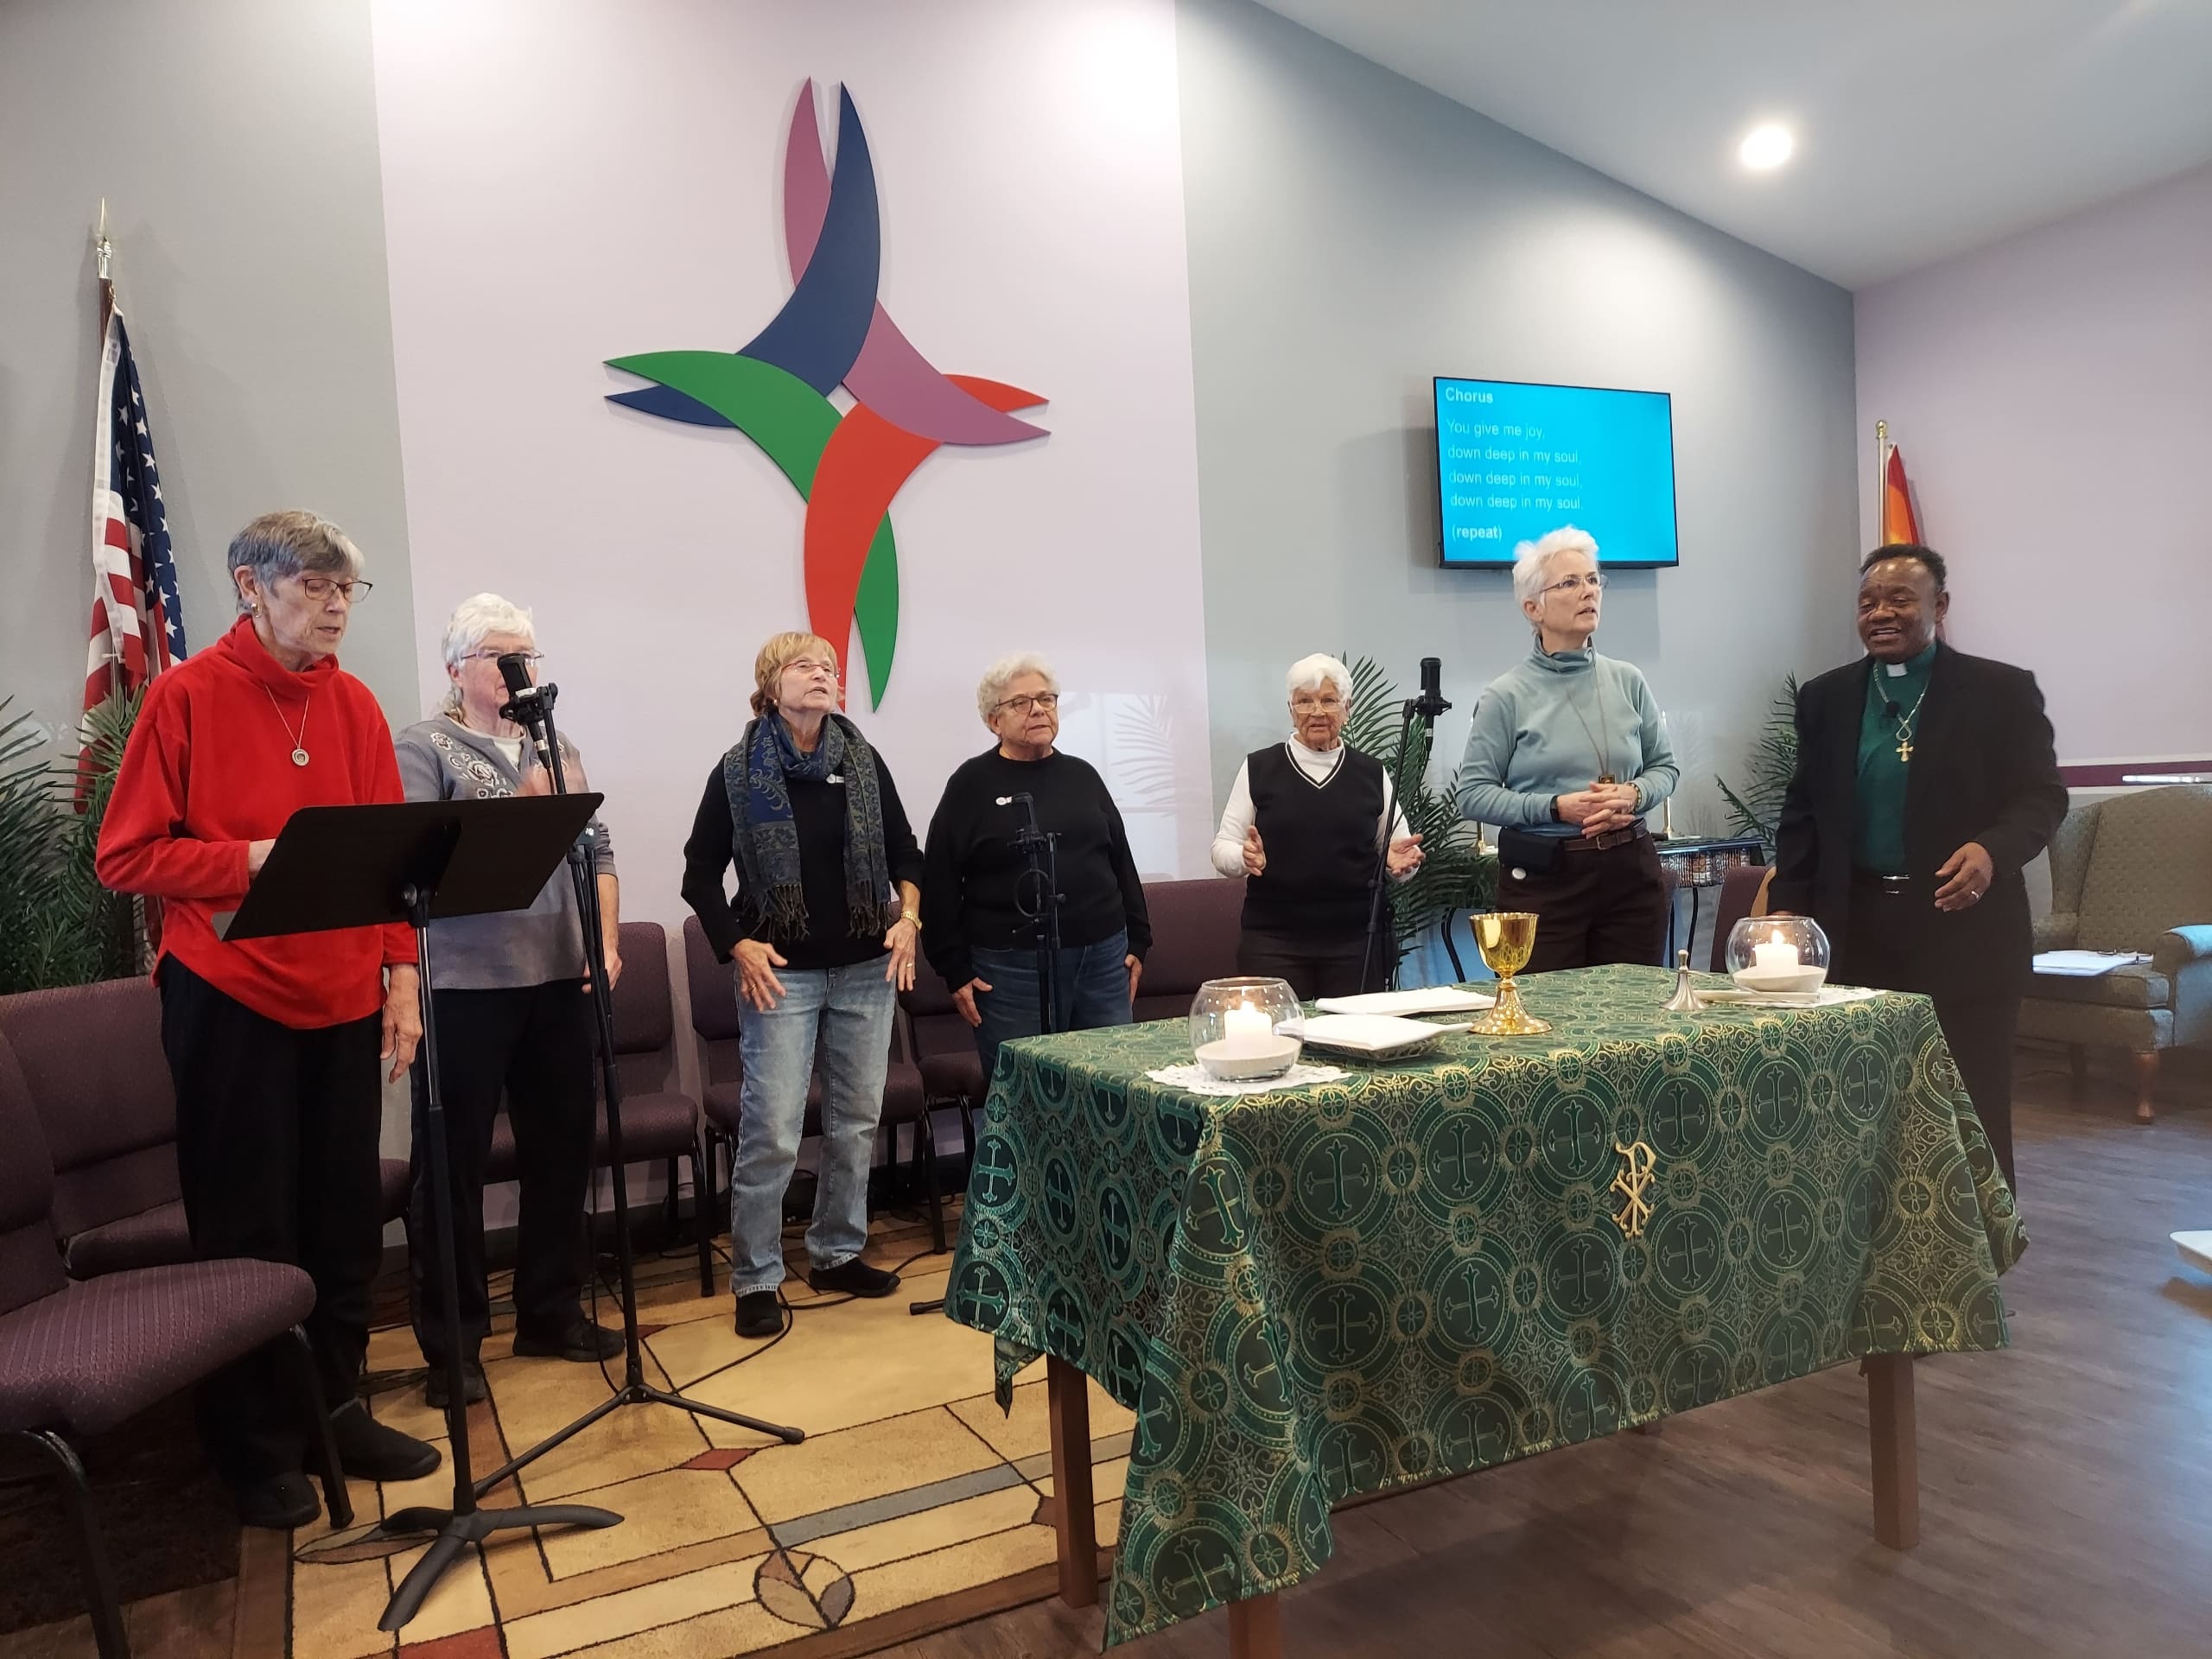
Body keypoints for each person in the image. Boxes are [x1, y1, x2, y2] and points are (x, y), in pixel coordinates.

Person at [95, 511, 440, 1529]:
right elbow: (125, 857)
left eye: (347, 591)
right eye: (315, 587)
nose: (335, 607)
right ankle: (253, 1446)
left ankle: (337, 1410)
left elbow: (392, 867)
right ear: (252, 586)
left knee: (340, 1224)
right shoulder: (185, 695)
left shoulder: (359, 708)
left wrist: (402, 981)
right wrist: (242, 857)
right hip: (230, 1000)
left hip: (342, 997)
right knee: (251, 1231)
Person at [1771, 544, 2063, 1192]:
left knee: (1972, 1102)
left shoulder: (2001, 690)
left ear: (1940, 606)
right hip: (1856, 930)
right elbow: (1803, 812)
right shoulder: (1826, 698)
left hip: (1963, 929)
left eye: (1900, 599)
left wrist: (1992, 851)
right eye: (1868, 601)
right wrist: (1787, 910)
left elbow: (2042, 797)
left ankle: (1984, 1256)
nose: (1881, 613)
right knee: (1861, 1100)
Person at [396, 594, 624, 1408]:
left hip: (559, 976)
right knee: (450, 1166)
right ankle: (452, 1345)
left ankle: (551, 1309)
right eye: (501, 652)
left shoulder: (552, 745)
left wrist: (604, 938)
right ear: (458, 667)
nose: (517, 667)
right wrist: (525, 813)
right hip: (463, 983)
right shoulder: (424, 746)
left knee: (564, 1147)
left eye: (527, 652)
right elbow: (420, 868)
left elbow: (597, 845)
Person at [681, 632, 923, 1339]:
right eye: (804, 665)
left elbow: (908, 853)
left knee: (855, 1121)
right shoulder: (737, 770)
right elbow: (699, 875)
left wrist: (908, 917)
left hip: (866, 969)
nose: (823, 675)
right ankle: (757, 1275)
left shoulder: (863, 761)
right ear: (769, 683)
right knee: (774, 1131)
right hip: (781, 977)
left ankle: (837, 1252)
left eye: (830, 668)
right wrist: (737, 945)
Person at [1458, 526, 1679, 972]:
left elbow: (1665, 769)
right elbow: (1472, 794)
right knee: (1554, 1020)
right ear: (1532, 608)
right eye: (1570, 583)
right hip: (1546, 880)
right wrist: (1557, 808)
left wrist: (1633, 795)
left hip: (1630, 871)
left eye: (1594, 580)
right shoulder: (1506, 695)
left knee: (1631, 1017)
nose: (1588, 592)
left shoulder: (1628, 680)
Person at [923, 653, 1152, 1078]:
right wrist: (953, 969)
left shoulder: (1082, 775)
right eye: (1022, 703)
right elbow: (937, 880)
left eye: (1046, 699)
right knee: (1027, 1094)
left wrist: (1138, 940)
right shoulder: (970, 784)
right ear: (994, 721)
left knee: (1113, 1087)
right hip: (1010, 971)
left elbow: (1120, 860)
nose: (1039, 710)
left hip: (1102, 959)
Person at [1211, 653, 1425, 998]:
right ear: (1290, 710)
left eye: (1328, 700)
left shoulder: (1371, 773)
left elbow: (1400, 854)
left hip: (1356, 942)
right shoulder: (1259, 768)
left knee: (1353, 1042)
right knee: (1276, 1041)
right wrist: (1243, 857)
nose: (1317, 711)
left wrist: (1401, 868)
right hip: (1273, 940)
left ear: (1347, 707)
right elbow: (1222, 850)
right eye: (1305, 701)